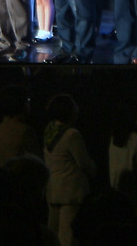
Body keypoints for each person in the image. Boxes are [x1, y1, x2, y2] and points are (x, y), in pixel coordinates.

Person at [43, 93, 95, 246]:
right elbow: (84, 163)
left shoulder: (49, 130)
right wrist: (94, 169)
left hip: (53, 190)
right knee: (67, 238)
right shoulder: (72, 134)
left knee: (52, 236)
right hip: (70, 192)